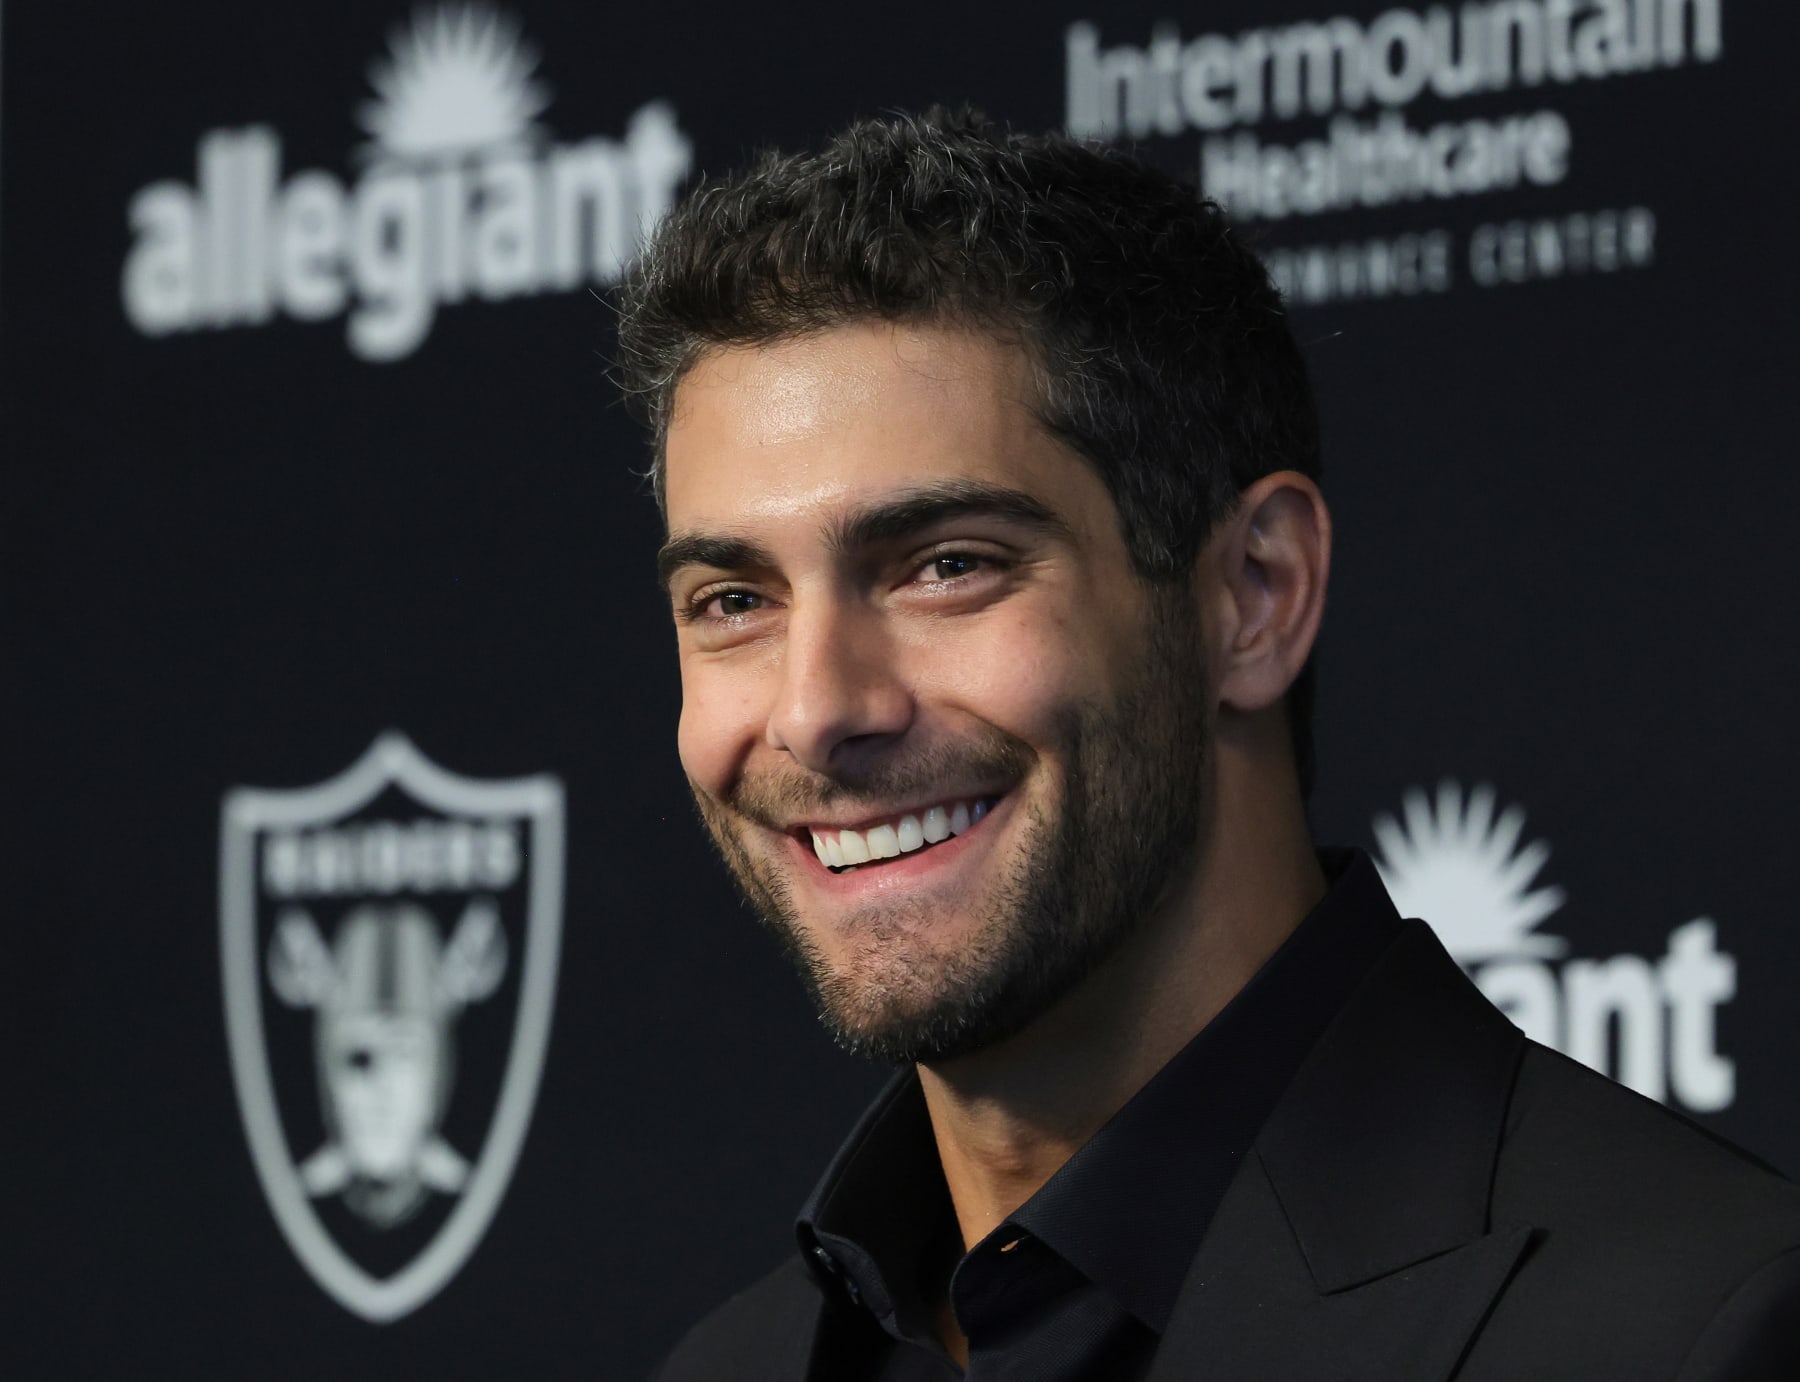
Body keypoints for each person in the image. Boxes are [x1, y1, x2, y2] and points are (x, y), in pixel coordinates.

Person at [619, 109, 1800, 1380]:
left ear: (1255, 592)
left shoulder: (1696, 1331)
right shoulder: (731, 1363)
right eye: (734, 600)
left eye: (948, 567)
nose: (814, 709)